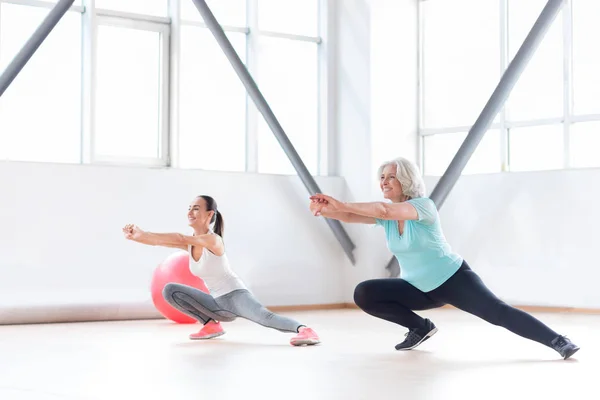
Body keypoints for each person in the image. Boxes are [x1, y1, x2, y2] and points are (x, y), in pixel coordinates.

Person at [308, 156, 579, 360]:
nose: (384, 182)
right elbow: (351, 216)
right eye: (382, 177)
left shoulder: (423, 206)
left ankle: (558, 341)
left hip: (453, 279)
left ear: (406, 180)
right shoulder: (386, 216)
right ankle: (420, 327)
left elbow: (382, 210)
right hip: (418, 288)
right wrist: (326, 209)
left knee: (497, 312)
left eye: (390, 177)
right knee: (365, 293)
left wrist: (341, 203)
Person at [123, 195, 320, 347]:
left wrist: (145, 233)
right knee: (170, 290)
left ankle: (305, 330)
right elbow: (161, 241)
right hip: (217, 303)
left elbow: (180, 238)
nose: (190, 212)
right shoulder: (191, 244)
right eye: (189, 208)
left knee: (264, 317)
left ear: (209, 215)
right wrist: (138, 236)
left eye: (196, 209)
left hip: (236, 297)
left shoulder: (213, 240)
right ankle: (211, 324)